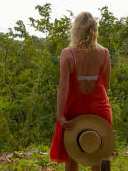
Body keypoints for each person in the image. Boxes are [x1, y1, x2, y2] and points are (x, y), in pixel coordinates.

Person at [50, 12, 112, 171]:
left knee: (72, 152)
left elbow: (63, 87)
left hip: (74, 108)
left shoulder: (68, 54)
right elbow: (106, 84)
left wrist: (60, 116)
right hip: (100, 108)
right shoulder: (104, 53)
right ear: (95, 30)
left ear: (76, 29)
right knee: (96, 152)